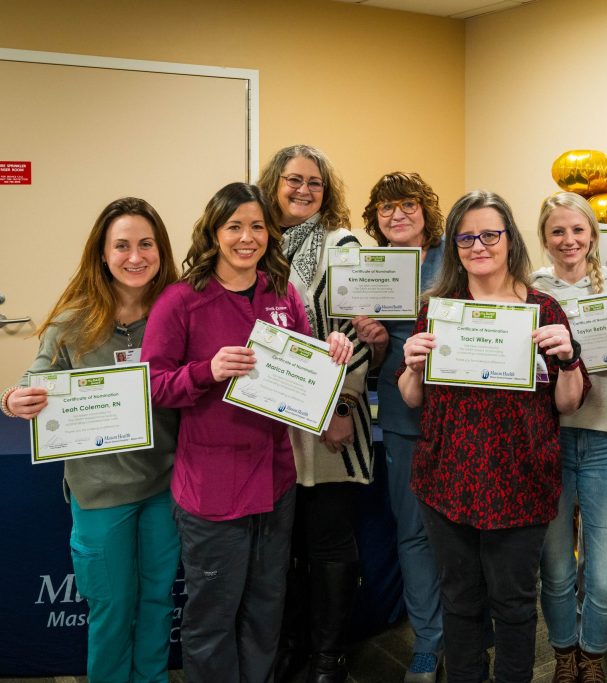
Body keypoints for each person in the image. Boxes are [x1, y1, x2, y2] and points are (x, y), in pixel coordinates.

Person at [142, 182, 352, 683]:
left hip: (276, 482)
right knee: (212, 617)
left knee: (265, 608)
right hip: (212, 489)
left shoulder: (281, 296)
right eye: (234, 226)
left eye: (257, 226)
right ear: (214, 233)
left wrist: (333, 353)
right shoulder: (180, 301)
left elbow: (305, 374)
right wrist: (206, 372)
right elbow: (150, 386)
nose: (247, 237)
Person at [397, 190, 590, 683]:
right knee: (459, 601)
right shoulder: (439, 308)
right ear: (454, 244)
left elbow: (568, 402)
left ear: (510, 240)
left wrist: (568, 358)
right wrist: (413, 365)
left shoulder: (544, 309)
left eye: (489, 234)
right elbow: (413, 398)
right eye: (466, 237)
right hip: (447, 479)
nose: (478, 245)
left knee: (515, 605)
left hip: (520, 480)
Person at [0, 197, 180, 683]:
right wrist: (15, 398)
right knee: (112, 608)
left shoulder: (178, 311)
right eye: (121, 245)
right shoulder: (73, 321)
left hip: (167, 486)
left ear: (161, 250)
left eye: (146, 244)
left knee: (158, 602)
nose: (135, 256)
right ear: (102, 254)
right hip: (100, 493)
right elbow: (33, 378)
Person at [257, 145, 372, 683]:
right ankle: (289, 646)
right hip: (269, 417)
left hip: (331, 421)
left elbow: (359, 329)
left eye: (315, 183)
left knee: (328, 540)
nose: (304, 190)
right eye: (293, 180)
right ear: (272, 183)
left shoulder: (341, 244)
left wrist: (341, 405)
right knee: (281, 545)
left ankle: (328, 656)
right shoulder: (253, 242)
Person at [345, 172, 446, 683]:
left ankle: (477, 627)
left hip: (464, 414)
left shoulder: (459, 252)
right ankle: (428, 641)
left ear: (426, 209)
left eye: (408, 204)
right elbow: (378, 357)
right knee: (412, 530)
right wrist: (379, 339)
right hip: (404, 414)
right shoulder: (371, 269)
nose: (397, 214)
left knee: (470, 527)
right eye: (386, 208)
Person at [530, 192, 607, 682]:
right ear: (544, 238)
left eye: (577, 230)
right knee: (555, 571)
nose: (568, 240)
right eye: (557, 231)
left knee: (606, 575)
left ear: (592, 233)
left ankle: (593, 656)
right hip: (548, 442)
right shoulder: (529, 292)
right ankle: (564, 654)